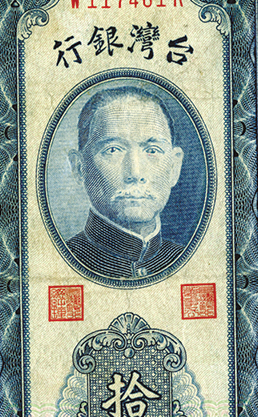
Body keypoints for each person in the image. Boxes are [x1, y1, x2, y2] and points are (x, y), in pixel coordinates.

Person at [67, 86, 184, 279]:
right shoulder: (60, 261)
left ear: (174, 168)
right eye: (113, 150)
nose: (135, 173)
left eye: (152, 150)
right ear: (79, 168)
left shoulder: (189, 260)